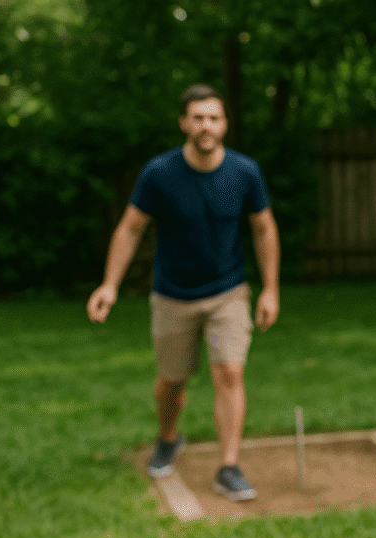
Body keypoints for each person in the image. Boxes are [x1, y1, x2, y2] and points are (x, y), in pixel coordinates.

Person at [87, 84, 280, 502]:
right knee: (172, 382)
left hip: (228, 291)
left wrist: (271, 290)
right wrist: (109, 285)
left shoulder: (245, 172)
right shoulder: (159, 173)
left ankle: (228, 465)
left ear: (225, 123)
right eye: (197, 118)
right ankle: (169, 437)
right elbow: (131, 228)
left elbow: (264, 228)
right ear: (183, 123)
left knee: (229, 372)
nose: (205, 125)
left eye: (213, 117)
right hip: (172, 294)